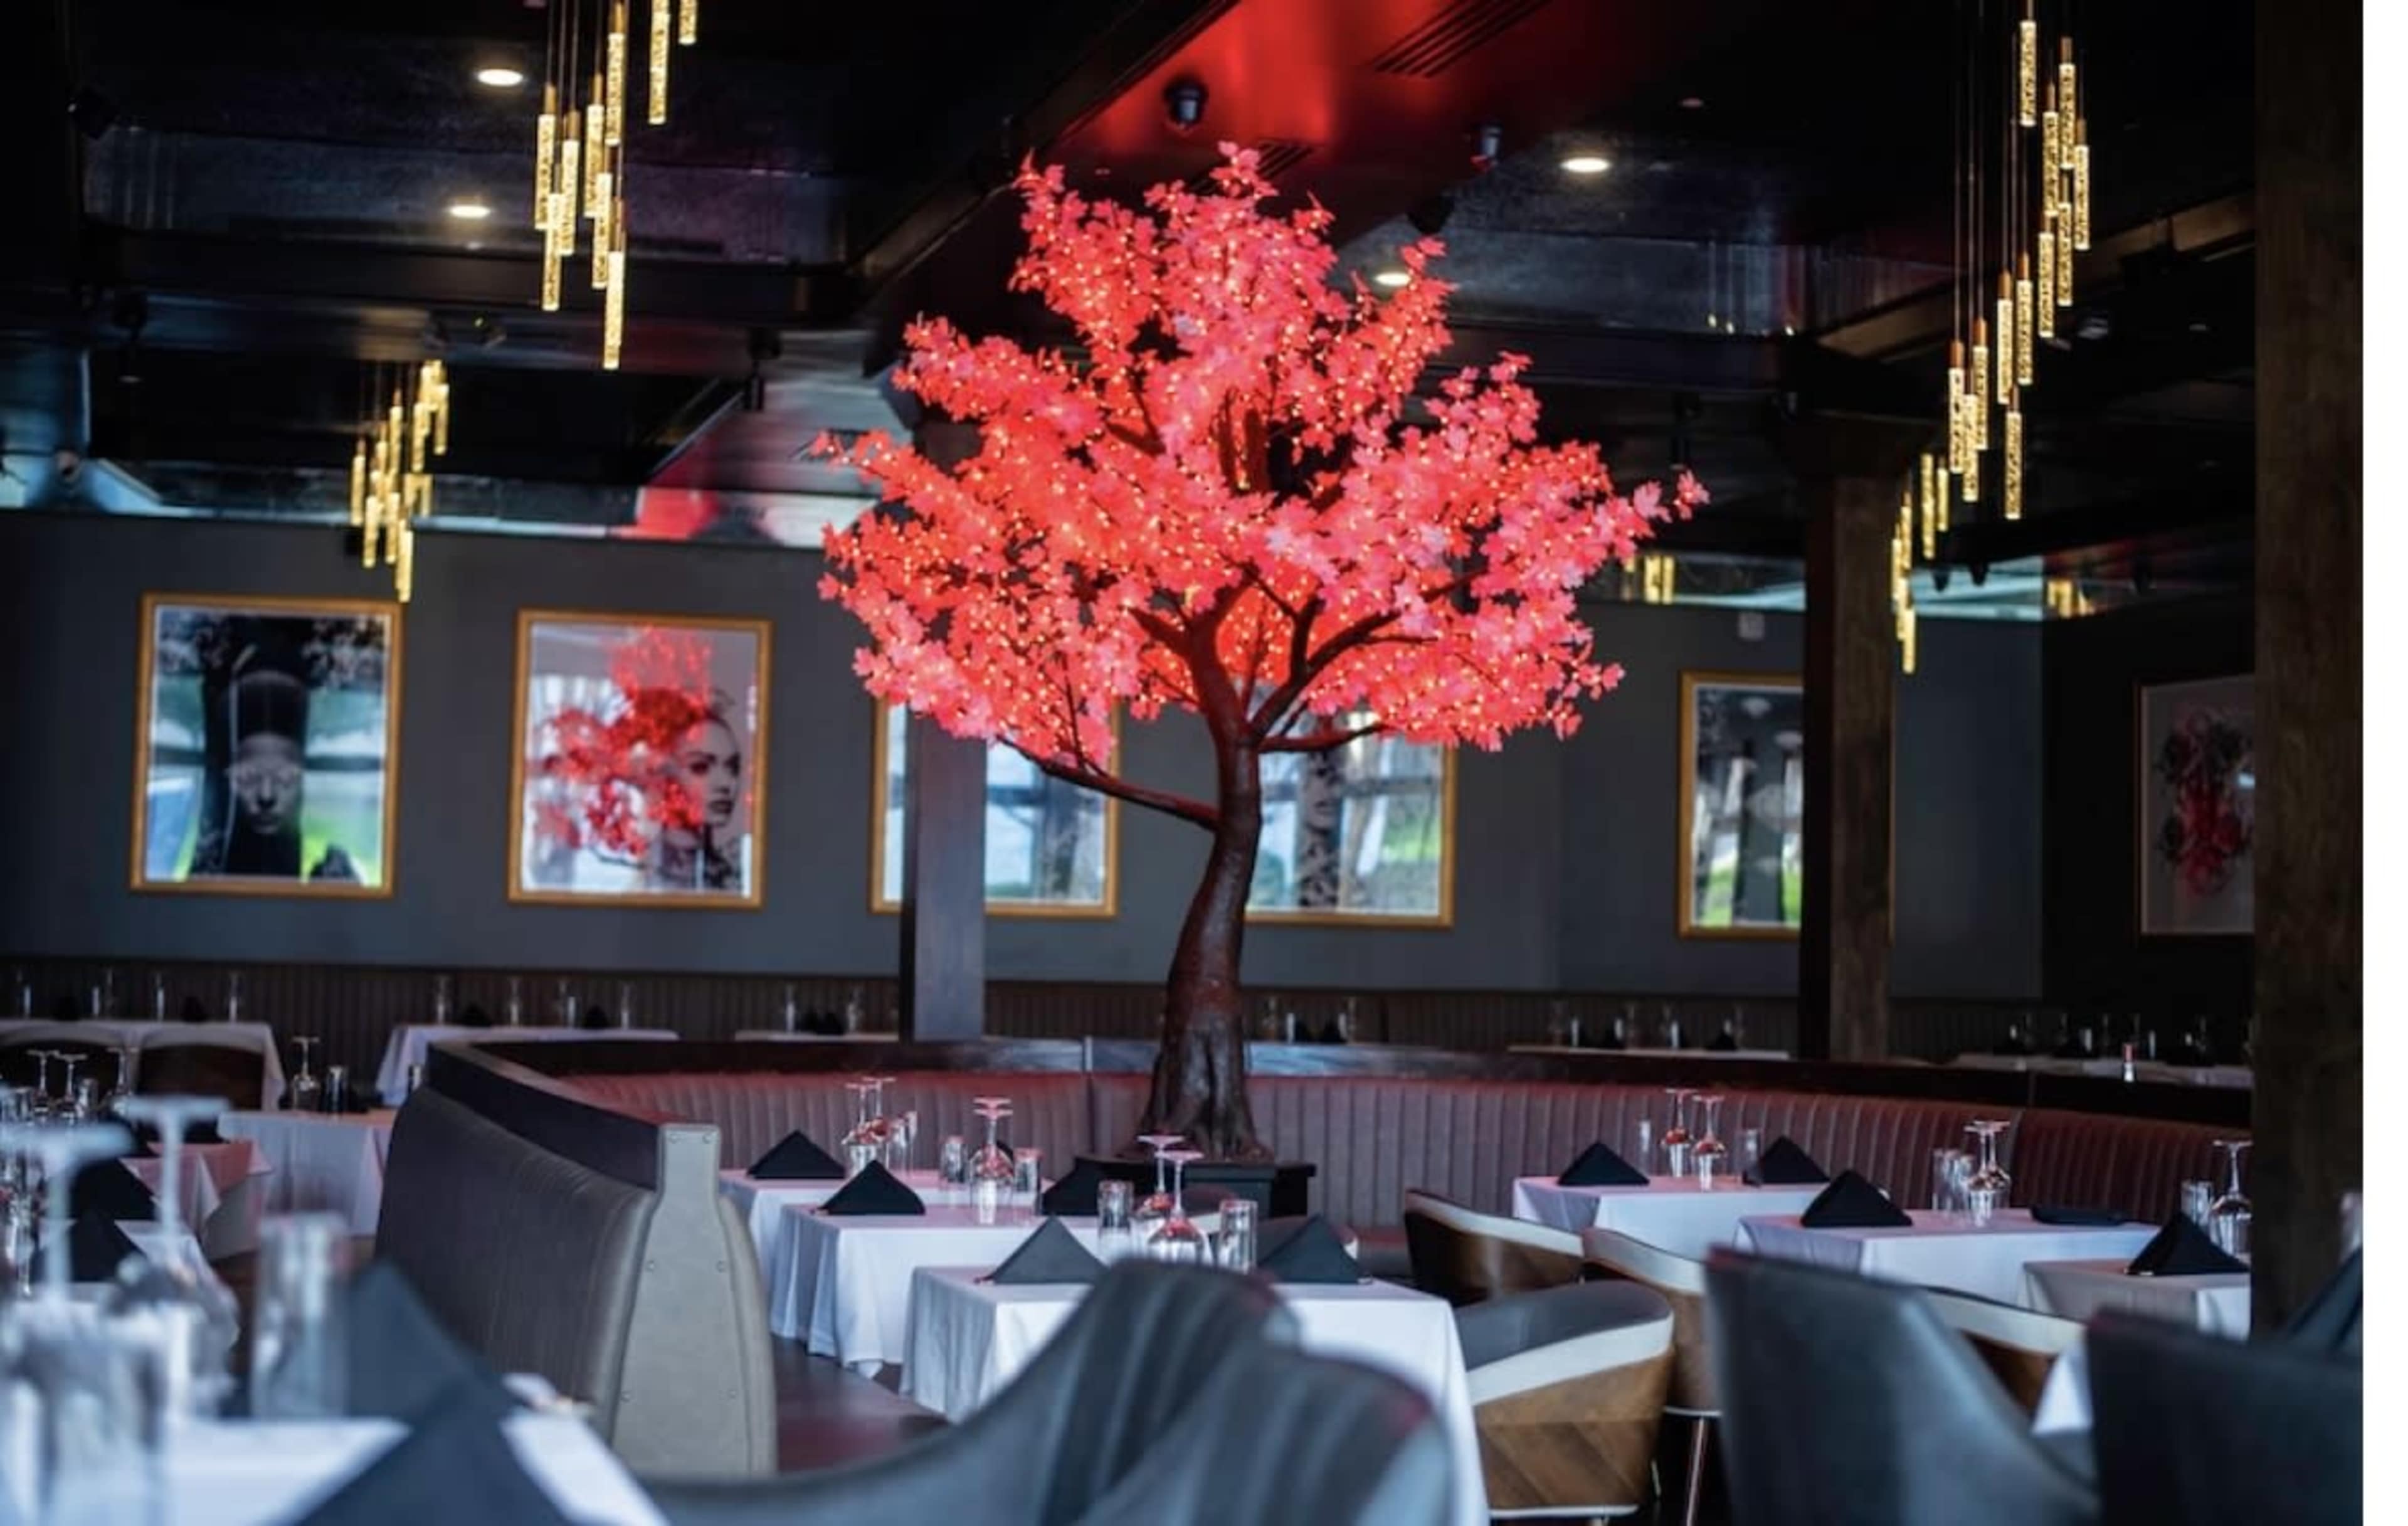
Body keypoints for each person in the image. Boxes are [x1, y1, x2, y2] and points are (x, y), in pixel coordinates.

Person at [189, 658, 358, 881]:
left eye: (286, 778)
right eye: (248, 778)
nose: (266, 795)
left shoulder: (335, 876)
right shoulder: (205, 874)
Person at [643, 701, 744, 893]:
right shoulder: (641, 869)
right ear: (662, 775)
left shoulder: (731, 874)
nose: (725, 784)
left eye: (733, 768)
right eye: (700, 767)